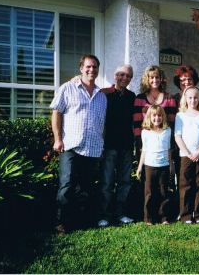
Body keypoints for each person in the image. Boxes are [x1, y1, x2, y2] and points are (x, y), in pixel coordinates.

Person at [50, 54, 107, 235]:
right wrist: (58, 139)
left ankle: (80, 221)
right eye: (88, 67)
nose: (92, 70)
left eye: (95, 67)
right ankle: (61, 224)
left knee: (86, 188)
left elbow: (102, 123)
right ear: (81, 68)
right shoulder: (67, 88)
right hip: (71, 146)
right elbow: (56, 113)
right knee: (66, 186)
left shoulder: (101, 96)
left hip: (93, 147)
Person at [97, 64, 136, 228]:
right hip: (109, 145)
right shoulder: (104, 94)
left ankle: (121, 213)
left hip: (126, 145)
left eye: (127, 76)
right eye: (121, 74)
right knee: (106, 182)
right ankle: (104, 215)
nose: (124, 78)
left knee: (124, 181)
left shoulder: (132, 96)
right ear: (115, 76)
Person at [174, 86, 199, 224]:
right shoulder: (180, 115)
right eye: (190, 97)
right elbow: (177, 136)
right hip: (186, 155)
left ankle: (198, 214)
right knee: (185, 184)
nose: (193, 100)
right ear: (185, 99)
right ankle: (186, 215)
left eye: (195, 97)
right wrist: (188, 153)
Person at [136, 105, 173, 225]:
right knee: (149, 193)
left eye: (159, 115)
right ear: (149, 117)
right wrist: (140, 167)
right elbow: (144, 150)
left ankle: (164, 217)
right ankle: (149, 218)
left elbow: (168, 149)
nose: (157, 118)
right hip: (149, 166)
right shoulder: (145, 132)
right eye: (154, 115)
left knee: (163, 192)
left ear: (163, 117)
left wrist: (171, 165)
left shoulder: (167, 131)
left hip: (164, 166)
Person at [133, 65, 178, 159]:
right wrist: (139, 141)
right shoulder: (140, 98)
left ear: (161, 79)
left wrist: (170, 142)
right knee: (145, 172)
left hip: (163, 143)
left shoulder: (169, 99)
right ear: (147, 79)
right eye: (151, 77)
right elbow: (137, 123)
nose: (155, 80)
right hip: (145, 143)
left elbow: (172, 123)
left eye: (157, 77)